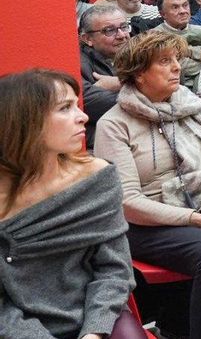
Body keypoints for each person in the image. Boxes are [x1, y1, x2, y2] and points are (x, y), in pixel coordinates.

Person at [93, 32, 201, 339]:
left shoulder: (192, 108)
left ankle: (181, 327)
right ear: (138, 73)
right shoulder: (114, 124)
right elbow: (128, 203)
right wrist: (195, 219)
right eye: (164, 61)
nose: (176, 68)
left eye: (176, 60)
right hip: (145, 224)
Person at [0, 69, 142, 339]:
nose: (83, 117)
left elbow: (114, 270)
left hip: (98, 318)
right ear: (24, 122)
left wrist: (93, 332)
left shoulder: (97, 177)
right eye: (65, 108)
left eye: (77, 104)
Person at [79, 4, 131, 146]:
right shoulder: (79, 62)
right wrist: (143, 88)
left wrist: (122, 82)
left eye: (124, 27)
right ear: (87, 38)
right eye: (110, 31)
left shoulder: (137, 52)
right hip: (105, 141)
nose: (121, 35)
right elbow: (86, 102)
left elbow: (171, 83)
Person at [151, 0, 201, 91]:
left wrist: (188, 51)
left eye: (185, 5)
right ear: (163, 14)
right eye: (175, 7)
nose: (183, 11)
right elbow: (180, 68)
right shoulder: (154, 37)